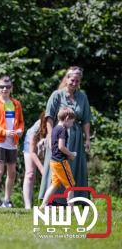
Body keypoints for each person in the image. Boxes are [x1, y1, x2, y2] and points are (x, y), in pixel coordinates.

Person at [39, 66, 91, 204]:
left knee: (74, 169)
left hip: (76, 137)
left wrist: (87, 139)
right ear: (67, 79)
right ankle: (52, 201)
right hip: (58, 136)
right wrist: (50, 136)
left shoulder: (82, 96)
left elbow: (86, 119)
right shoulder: (57, 95)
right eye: (72, 80)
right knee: (56, 169)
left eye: (77, 81)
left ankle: (75, 201)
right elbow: (49, 117)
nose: (74, 83)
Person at [0, 75, 24, 208]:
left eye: (7, 87)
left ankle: (7, 200)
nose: (4, 89)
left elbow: (20, 123)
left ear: (11, 88)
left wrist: (19, 130)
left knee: (12, 171)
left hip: (12, 142)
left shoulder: (16, 104)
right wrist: (4, 132)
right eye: (2, 86)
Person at [39, 107, 77, 209]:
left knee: (55, 184)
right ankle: (71, 209)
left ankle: (43, 206)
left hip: (53, 161)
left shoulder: (55, 129)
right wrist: (70, 154)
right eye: (72, 122)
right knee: (71, 185)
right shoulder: (63, 130)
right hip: (60, 162)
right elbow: (61, 146)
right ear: (67, 118)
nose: (72, 124)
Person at [22, 111, 46, 209]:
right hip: (31, 145)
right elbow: (32, 152)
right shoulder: (37, 128)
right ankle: (28, 206)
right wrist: (41, 168)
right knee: (30, 174)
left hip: (45, 146)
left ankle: (48, 203)